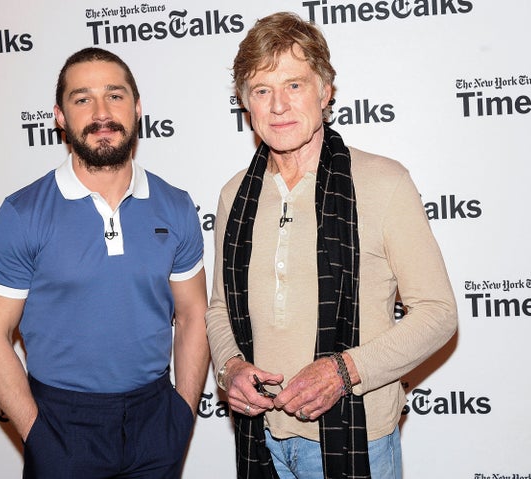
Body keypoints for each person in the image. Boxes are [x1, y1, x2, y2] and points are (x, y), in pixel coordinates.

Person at [205, 12, 458, 479]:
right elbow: (219, 309)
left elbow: (437, 312)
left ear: (325, 92)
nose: (278, 105)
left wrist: (345, 371)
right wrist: (230, 368)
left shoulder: (384, 182)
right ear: (246, 105)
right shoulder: (233, 195)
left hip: (358, 439)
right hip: (260, 439)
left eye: (295, 85)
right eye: (262, 91)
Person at [0, 47, 209, 478]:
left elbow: (194, 313)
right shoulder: (23, 214)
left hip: (156, 419)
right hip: (62, 423)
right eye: (82, 99)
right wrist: (38, 433)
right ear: (60, 117)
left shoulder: (175, 207)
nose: (102, 112)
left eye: (115, 96)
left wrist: (182, 415)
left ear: (137, 108)